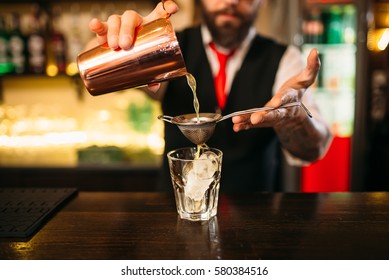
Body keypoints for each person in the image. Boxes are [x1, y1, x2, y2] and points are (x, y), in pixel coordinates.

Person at [88, 0, 333, 192]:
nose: (231, 1)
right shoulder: (166, 49)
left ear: (263, 2)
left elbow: (315, 149)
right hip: (176, 218)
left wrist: (295, 118)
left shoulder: (285, 58)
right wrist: (128, 48)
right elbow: (86, 65)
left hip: (257, 224)